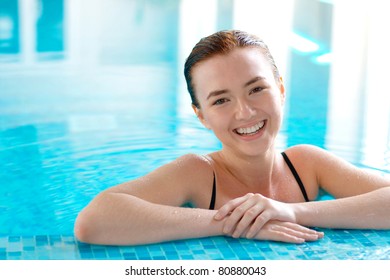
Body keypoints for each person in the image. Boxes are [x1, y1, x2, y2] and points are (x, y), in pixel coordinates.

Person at [74, 30, 390, 245]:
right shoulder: (197, 173)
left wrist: (292, 211)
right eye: (221, 100)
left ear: (280, 90)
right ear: (201, 115)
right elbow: (93, 221)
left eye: (256, 89)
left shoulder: (307, 165)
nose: (245, 112)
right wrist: (232, 221)